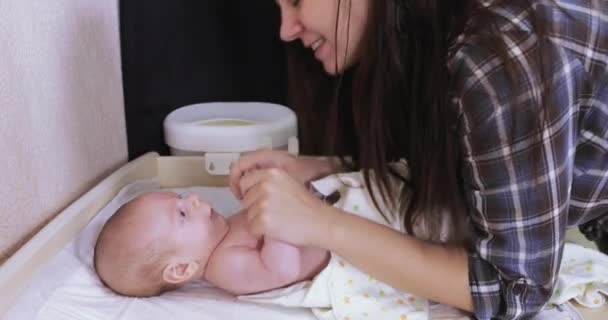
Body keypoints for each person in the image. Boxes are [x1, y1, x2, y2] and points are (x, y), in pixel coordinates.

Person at [228, 0, 608, 319]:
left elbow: (513, 290)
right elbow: (473, 157)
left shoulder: (500, 52)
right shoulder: (428, 38)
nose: (285, 30)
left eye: (296, 0)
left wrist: (322, 224)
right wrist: (329, 167)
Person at [93, 191, 329, 297]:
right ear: (181, 269)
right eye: (183, 214)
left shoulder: (223, 230)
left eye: (181, 197)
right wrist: (278, 217)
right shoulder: (224, 266)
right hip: (343, 253)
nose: (194, 198)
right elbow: (283, 270)